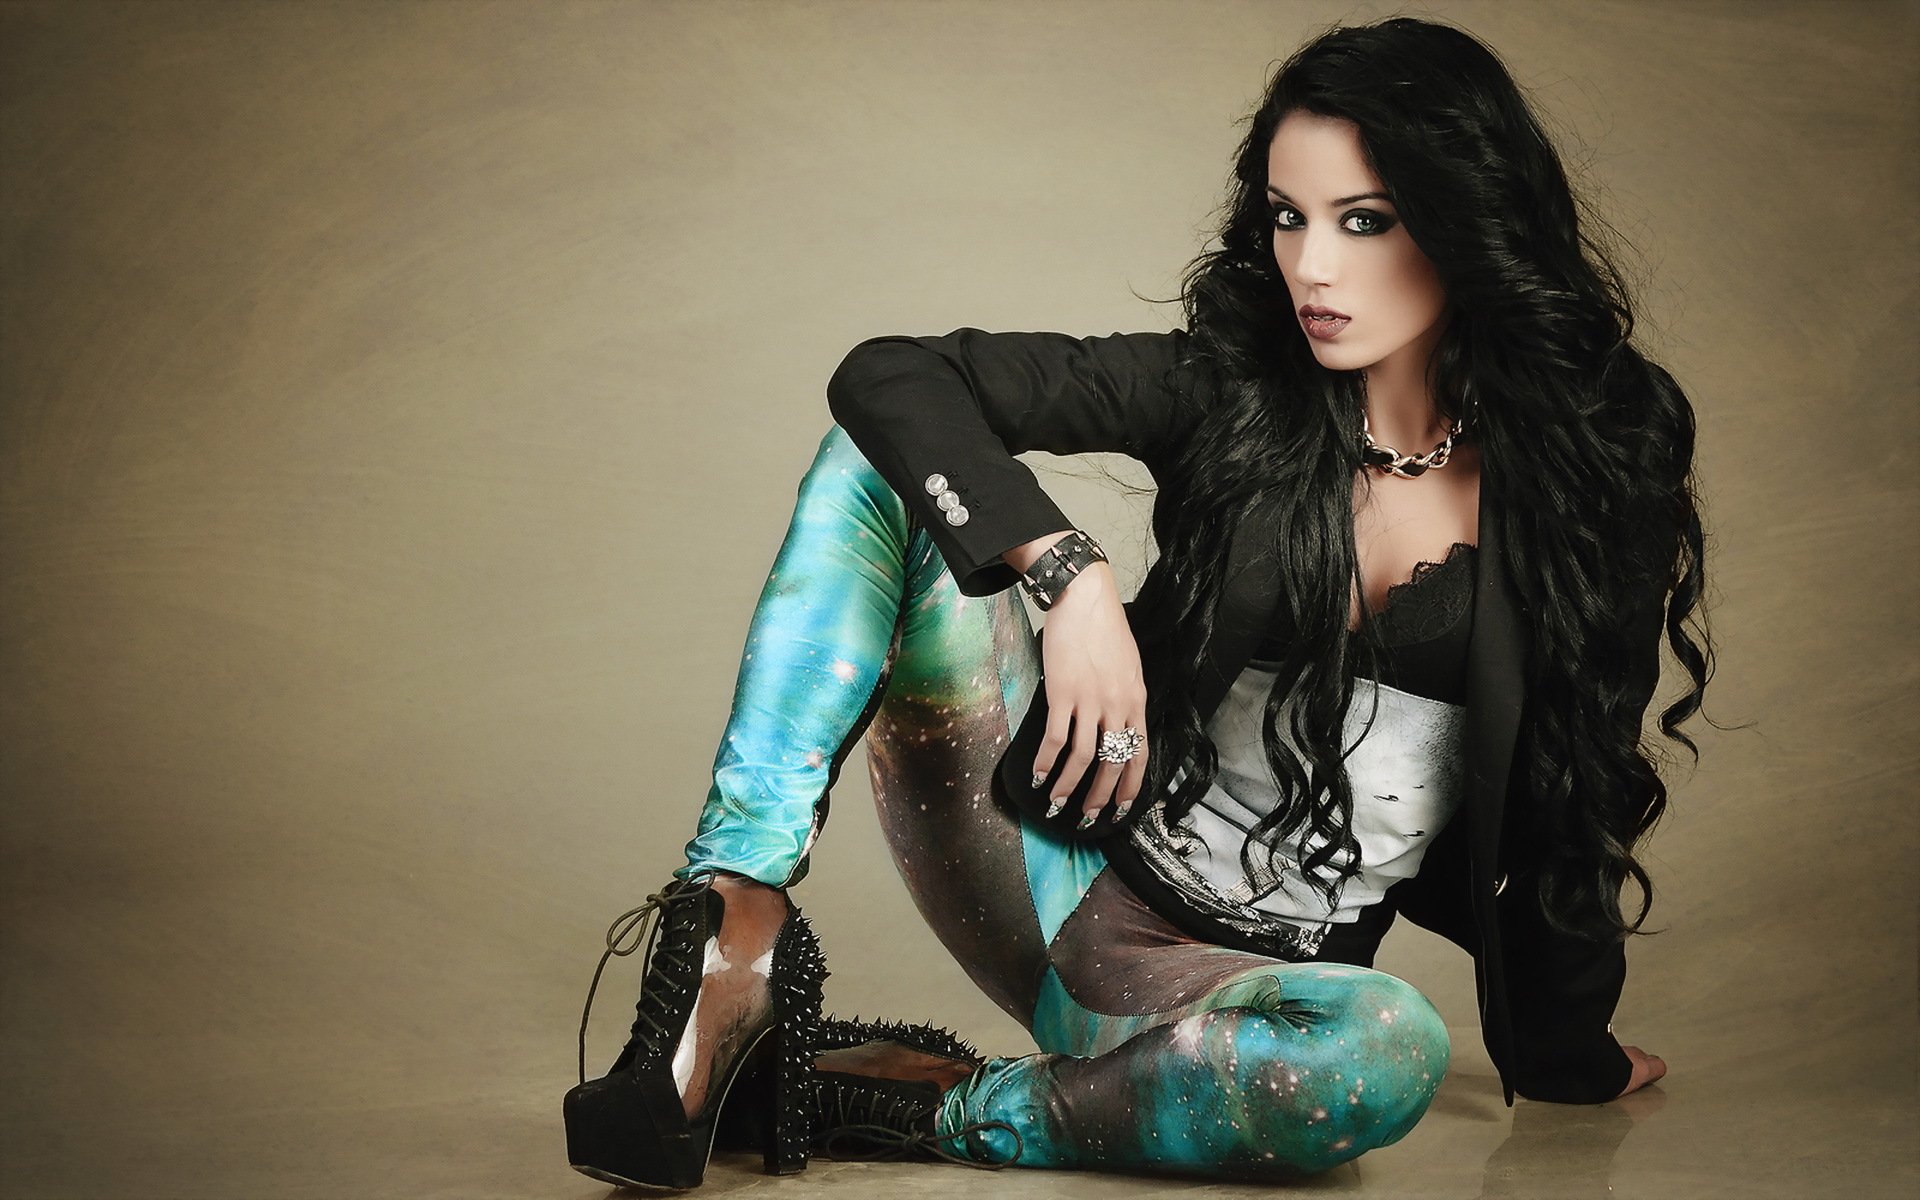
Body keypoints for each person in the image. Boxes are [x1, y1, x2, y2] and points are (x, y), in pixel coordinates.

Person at [562, 13, 1712, 1189]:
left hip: (1241, 986)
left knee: (1384, 1049)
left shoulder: (1599, 451)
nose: (1313, 267)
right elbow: (892, 375)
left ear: (1471, 218)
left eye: (1364, 220)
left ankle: (916, 1103)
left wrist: (1564, 1048)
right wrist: (1068, 576)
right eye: (1289, 216)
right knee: (884, 460)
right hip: (1046, 864)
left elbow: (1583, 764)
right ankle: (730, 925)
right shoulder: (1232, 389)